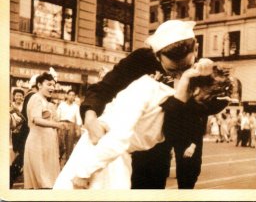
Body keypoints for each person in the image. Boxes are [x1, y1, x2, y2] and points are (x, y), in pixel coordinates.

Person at [79, 20, 229, 189]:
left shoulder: (202, 72)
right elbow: (103, 88)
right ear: (156, 55)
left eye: (185, 67)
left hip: (171, 144)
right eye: (172, 70)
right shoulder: (140, 60)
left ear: (196, 48)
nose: (180, 73)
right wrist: (90, 115)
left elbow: (192, 121)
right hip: (132, 146)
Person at [53, 58, 233, 189]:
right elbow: (117, 137)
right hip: (102, 154)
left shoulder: (179, 105)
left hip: (119, 159)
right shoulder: (148, 88)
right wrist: (84, 171)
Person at [23, 72, 67, 189]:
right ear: (39, 85)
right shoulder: (36, 98)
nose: (52, 87)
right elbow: (36, 119)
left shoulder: (45, 101)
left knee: (47, 180)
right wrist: (56, 125)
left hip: (45, 144)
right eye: (49, 84)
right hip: (38, 143)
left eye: (53, 85)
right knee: (41, 180)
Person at [10, 75, 39, 188]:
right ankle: (10, 178)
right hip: (26, 133)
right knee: (22, 158)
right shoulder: (32, 96)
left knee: (24, 158)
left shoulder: (29, 96)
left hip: (25, 132)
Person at [56, 89, 82, 166]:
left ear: (75, 97)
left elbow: (78, 118)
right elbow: (57, 116)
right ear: (66, 95)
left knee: (69, 146)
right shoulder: (61, 104)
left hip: (71, 125)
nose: (71, 97)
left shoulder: (76, 107)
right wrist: (57, 125)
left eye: (73, 95)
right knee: (60, 144)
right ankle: (57, 162)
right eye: (70, 95)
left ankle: (67, 164)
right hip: (62, 124)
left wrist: (78, 129)